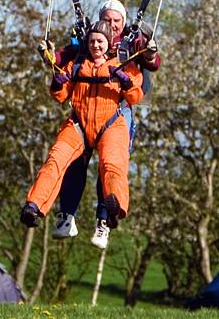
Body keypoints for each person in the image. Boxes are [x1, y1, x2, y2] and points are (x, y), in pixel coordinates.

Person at [46, 0, 161, 248]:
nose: (112, 25)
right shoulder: (92, 37)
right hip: (85, 108)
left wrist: (150, 51)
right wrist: (50, 56)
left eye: (116, 21)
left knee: (109, 165)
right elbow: (63, 56)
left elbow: (153, 61)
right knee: (73, 161)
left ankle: (104, 219)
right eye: (107, 20)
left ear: (124, 21)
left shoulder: (132, 42)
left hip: (116, 110)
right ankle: (67, 216)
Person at [20, 20, 144, 231]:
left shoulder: (123, 65)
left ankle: (114, 207)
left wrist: (126, 83)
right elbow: (61, 95)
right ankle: (33, 206)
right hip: (79, 123)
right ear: (87, 43)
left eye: (100, 42)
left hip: (110, 124)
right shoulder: (77, 65)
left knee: (112, 164)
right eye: (93, 41)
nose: (96, 46)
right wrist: (57, 83)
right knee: (55, 159)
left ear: (109, 43)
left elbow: (135, 96)